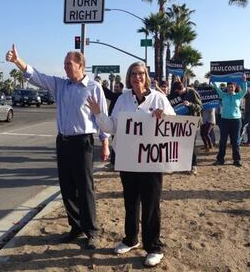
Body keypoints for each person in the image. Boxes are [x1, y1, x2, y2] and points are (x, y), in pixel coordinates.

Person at [5, 44, 110, 250]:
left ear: (81, 66)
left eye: (68, 64)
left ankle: (92, 231)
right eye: (64, 64)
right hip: (63, 141)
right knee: (67, 187)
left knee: (85, 188)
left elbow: (102, 118)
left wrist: (105, 142)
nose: (65, 68)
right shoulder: (60, 85)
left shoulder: (93, 87)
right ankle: (76, 227)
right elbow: (36, 76)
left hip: (83, 143)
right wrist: (18, 61)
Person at [87, 61, 175, 267]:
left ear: (147, 76)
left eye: (141, 73)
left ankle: (153, 246)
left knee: (151, 204)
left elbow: (175, 121)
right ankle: (131, 239)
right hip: (128, 159)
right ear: (129, 77)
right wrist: (98, 113)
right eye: (134, 74)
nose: (137, 77)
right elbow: (111, 126)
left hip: (152, 160)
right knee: (131, 202)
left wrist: (164, 116)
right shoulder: (122, 100)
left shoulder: (158, 98)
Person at [167, 80, 202, 174]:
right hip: (180, 124)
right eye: (178, 92)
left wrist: (190, 105)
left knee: (191, 145)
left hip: (192, 123)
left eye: (181, 90)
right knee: (181, 145)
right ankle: (183, 165)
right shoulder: (173, 95)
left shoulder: (192, 92)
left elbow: (200, 106)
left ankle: (193, 166)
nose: (180, 93)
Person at [211, 78, 247, 167]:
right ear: (227, 88)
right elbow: (216, 87)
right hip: (224, 120)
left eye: (232, 87)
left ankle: (236, 160)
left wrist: (244, 80)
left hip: (236, 121)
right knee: (223, 140)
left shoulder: (238, 96)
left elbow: (245, 90)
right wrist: (213, 80)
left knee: (236, 141)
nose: (230, 88)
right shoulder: (223, 95)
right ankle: (220, 160)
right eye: (229, 87)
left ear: (235, 87)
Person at [102, 81, 124, 168]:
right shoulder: (116, 96)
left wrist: (100, 85)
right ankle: (115, 162)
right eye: (115, 87)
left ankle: (114, 163)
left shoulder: (119, 96)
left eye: (117, 87)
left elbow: (108, 94)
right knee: (116, 143)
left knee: (116, 144)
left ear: (121, 88)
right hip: (114, 123)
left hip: (118, 125)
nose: (115, 88)